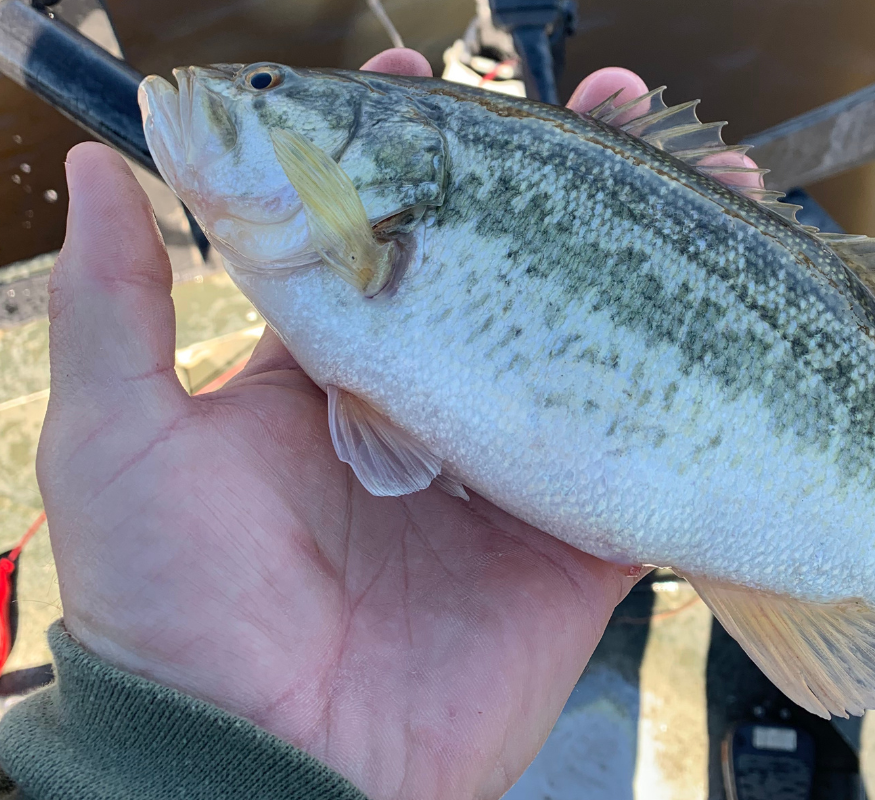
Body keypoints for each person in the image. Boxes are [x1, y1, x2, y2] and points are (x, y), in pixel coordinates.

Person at [0, 48, 759, 800]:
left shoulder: (352, 233)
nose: (223, 88)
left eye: (263, 84)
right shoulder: (341, 232)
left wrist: (143, 758)